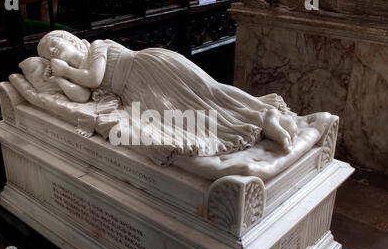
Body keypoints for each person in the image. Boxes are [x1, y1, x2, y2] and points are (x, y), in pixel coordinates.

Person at [36, 30, 298, 162]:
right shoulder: (73, 73)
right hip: (137, 91)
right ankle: (257, 121)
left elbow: (94, 77)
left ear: (70, 38)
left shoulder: (96, 47)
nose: (53, 49)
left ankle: (263, 112)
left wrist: (67, 70)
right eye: (48, 53)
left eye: (54, 41)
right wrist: (60, 77)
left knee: (208, 90)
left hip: (151, 68)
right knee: (185, 115)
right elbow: (81, 97)